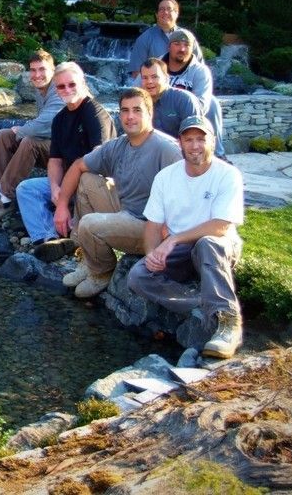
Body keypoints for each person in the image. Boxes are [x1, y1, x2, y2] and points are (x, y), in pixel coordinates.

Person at [128, 115, 244, 358]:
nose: (194, 146)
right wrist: (151, 253)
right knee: (138, 275)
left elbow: (221, 226)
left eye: (201, 139)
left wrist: (173, 239)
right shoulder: (166, 177)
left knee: (207, 244)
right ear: (180, 142)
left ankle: (228, 323)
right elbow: (152, 224)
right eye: (188, 139)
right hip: (180, 250)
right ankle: (199, 302)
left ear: (212, 141)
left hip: (216, 246)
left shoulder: (228, 175)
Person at [53, 88, 182, 298]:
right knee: (87, 180)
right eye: (125, 110)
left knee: (90, 224)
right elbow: (77, 166)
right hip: (126, 210)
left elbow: (184, 194)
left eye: (137, 110)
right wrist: (61, 205)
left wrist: (168, 239)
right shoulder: (119, 145)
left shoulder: (166, 149)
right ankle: (88, 259)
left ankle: (102, 273)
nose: (130, 116)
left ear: (150, 114)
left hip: (151, 227)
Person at [16, 61, 116, 261]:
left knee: (84, 188)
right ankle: (48, 239)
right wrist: (54, 188)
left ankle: (77, 243)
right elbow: (54, 160)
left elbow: (97, 164)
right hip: (68, 185)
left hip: (93, 186)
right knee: (26, 189)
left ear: (82, 82)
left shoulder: (94, 113)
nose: (67, 90)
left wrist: (62, 201)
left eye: (71, 84)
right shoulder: (60, 119)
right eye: (61, 86)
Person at [0, 50, 65, 223]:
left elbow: (47, 123)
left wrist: (22, 131)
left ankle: (6, 199)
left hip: (66, 157)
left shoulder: (59, 89)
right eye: (33, 70)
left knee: (29, 141)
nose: (37, 75)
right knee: (4, 135)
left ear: (53, 70)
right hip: (54, 145)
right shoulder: (41, 90)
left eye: (42, 69)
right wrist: (21, 131)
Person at [163, 29, 226, 158]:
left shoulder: (200, 71)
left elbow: (201, 107)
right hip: (158, 115)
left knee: (212, 103)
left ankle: (218, 155)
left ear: (193, 48)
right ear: (169, 46)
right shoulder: (155, 66)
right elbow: (136, 93)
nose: (182, 49)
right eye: (177, 44)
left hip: (187, 119)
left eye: (187, 45)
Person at [128, 0, 203, 79]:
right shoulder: (144, 39)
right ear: (156, 14)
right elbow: (137, 74)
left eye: (169, 9)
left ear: (176, 13)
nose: (165, 12)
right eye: (161, 9)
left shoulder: (189, 38)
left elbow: (200, 69)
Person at [139, 57, 204, 138]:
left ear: (166, 78)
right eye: (145, 78)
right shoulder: (139, 103)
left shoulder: (185, 100)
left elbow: (195, 137)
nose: (149, 81)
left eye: (154, 77)